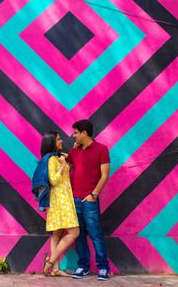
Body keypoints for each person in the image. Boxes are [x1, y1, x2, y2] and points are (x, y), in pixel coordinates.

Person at [66, 120, 110, 281]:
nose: (73, 135)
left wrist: (94, 194)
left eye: (76, 132)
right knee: (79, 235)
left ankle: (103, 268)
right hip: (75, 199)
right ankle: (83, 266)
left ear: (84, 133)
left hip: (89, 200)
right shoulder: (75, 151)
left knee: (95, 234)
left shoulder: (102, 149)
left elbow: (105, 175)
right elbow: (66, 166)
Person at [39, 131, 80, 276]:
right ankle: (50, 262)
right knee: (74, 232)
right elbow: (54, 180)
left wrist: (74, 150)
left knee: (56, 234)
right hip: (59, 200)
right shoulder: (50, 160)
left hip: (64, 198)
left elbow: (74, 160)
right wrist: (63, 166)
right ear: (51, 142)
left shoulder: (60, 156)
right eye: (58, 139)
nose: (61, 141)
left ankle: (55, 269)